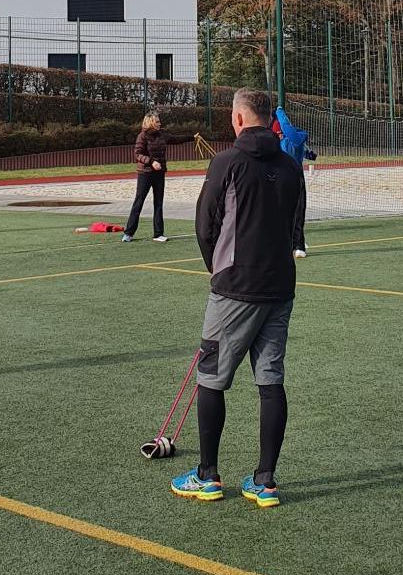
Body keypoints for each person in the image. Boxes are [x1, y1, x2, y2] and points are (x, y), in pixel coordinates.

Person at [171, 89, 303, 509]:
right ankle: (265, 480)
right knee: (271, 380)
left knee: (211, 378)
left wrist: (217, 267)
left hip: (235, 287)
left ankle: (208, 475)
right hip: (280, 286)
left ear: (239, 119)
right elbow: (296, 226)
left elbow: (204, 224)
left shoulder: (225, 162)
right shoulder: (290, 164)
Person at [273, 105, 317, 255]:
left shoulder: (296, 136)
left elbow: (291, 134)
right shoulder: (278, 143)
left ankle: (298, 244)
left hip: (295, 177)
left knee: (298, 211)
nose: (279, 135)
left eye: (280, 133)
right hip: (280, 178)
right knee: (283, 212)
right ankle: (291, 242)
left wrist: (280, 113)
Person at [121, 112, 168, 242]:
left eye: (159, 121)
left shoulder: (161, 135)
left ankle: (158, 233)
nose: (159, 123)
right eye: (157, 122)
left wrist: (193, 137)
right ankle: (128, 233)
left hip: (159, 173)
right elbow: (138, 154)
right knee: (139, 201)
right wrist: (151, 161)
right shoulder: (142, 136)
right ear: (150, 122)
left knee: (158, 203)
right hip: (145, 173)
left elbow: (176, 139)